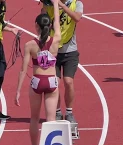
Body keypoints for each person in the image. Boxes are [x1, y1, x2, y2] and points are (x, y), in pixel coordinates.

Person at [14, 0, 61, 145]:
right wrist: (55, 4)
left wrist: (18, 91)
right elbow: (57, 22)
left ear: (36, 26)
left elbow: (22, 69)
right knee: (51, 119)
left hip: (37, 81)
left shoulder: (30, 45)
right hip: (52, 81)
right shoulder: (56, 40)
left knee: (34, 118)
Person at [41, 0, 83, 132]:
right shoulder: (48, 4)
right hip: (53, 50)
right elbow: (42, 22)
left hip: (70, 51)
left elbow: (77, 18)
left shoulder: (77, 4)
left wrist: (61, 6)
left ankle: (69, 112)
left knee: (68, 81)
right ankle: (57, 111)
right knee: (55, 83)